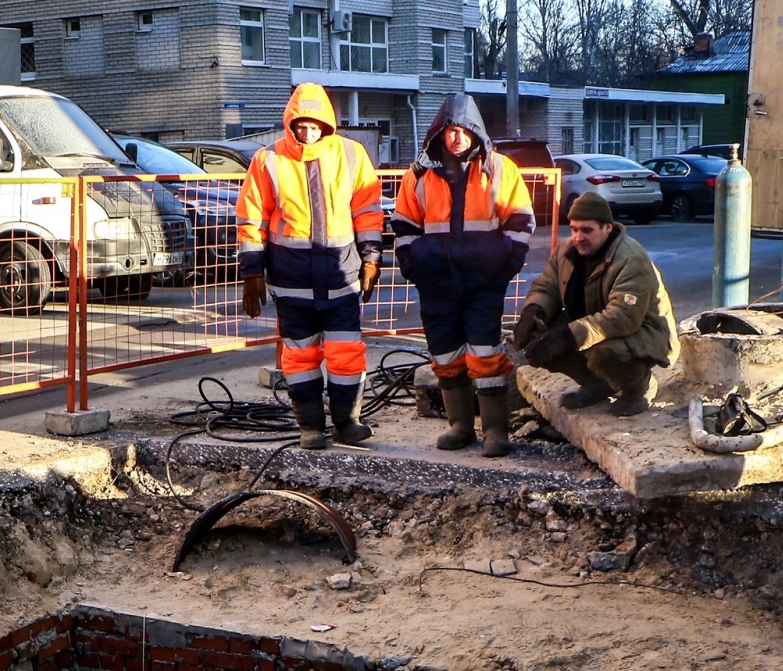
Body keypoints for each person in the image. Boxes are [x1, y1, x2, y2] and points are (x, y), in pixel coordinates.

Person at [237, 84, 384, 450]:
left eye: (314, 125)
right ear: (291, 123)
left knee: (346, 352)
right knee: (300, 356)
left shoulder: (351, 154)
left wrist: (371, 258)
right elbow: (252, 217)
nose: (308, 132)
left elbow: (367, 211)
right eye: (301, 125)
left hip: (341, 276)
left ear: (327, 124)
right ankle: (311, 427)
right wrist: (252, 270)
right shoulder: (268, 160)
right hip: (293, 280)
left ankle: (347, 423)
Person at [390, 93, 535, 457]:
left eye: (463, 131)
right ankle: (460, 427)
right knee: (444, 354)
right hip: (436, 281)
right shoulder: (419, 174)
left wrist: (507, 263)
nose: (456, 137)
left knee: (486, 352)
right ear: (440, 132)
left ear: (475, 133)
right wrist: (412, 264)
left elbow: (520, 220)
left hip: (483, 282)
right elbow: (404, 224)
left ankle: (495, 431)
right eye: (450, 130)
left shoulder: (499, 169)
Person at [510, 192, 676, 417]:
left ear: (607, 228)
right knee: (538, 334)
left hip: (646, 333)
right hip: (596, 324)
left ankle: (639, 387)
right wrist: (532, 311)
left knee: (603, 351)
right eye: (574, 229)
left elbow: (623, 318)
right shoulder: (566, 250)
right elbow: (546, 286)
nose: (578, 237)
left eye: (587, 230)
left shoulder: (631, 258)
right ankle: (598, 384)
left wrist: (566, 336)